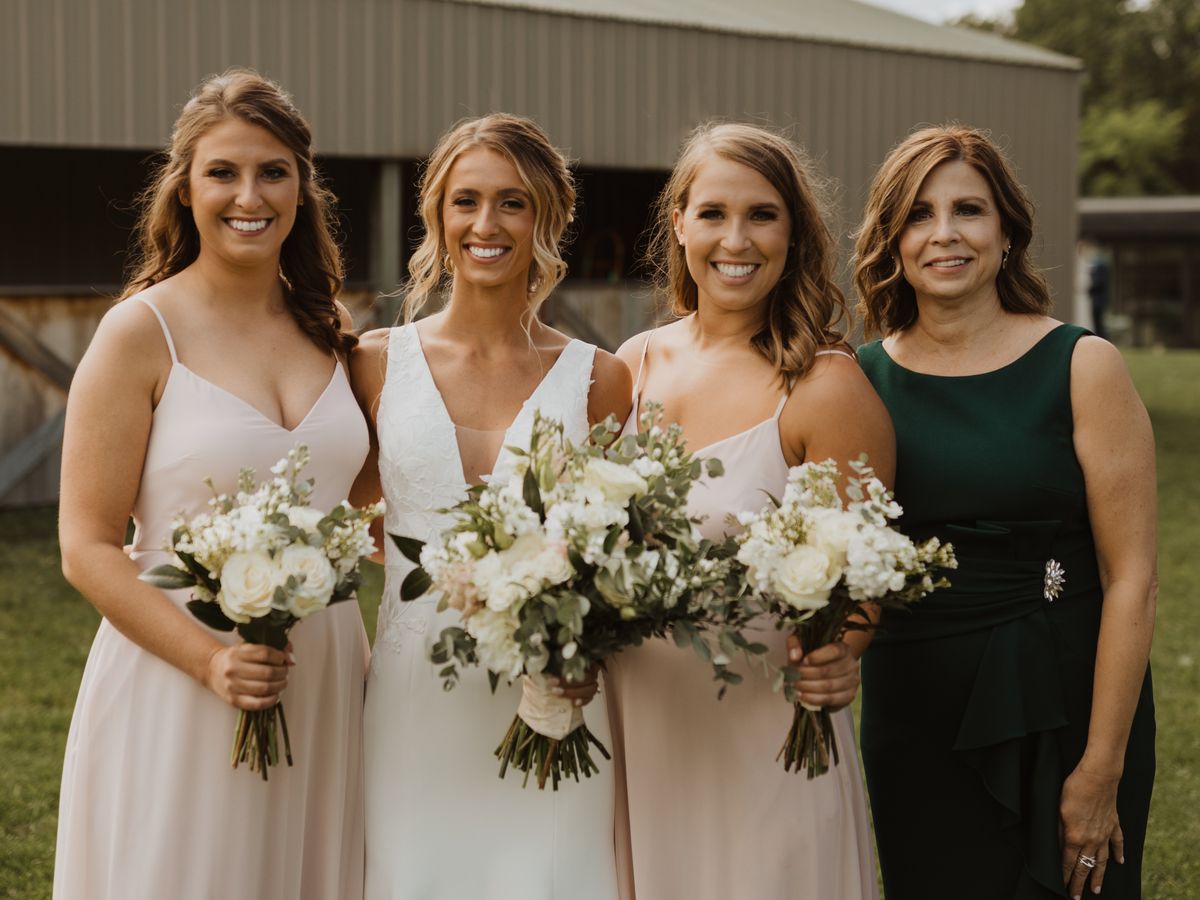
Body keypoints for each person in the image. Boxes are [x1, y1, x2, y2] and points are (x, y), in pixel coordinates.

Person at [55, 70, 368, 899]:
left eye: (273, 172)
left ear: (302, 188)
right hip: (185, 670)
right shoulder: (139, 332)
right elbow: (86, 546)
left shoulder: (331, 328)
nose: (249, 196)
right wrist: (211, 662)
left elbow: (369, 499)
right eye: (223, 172)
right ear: (185, 189)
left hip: (323, 669)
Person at [854, 125, 1156, 900]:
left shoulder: (1082, 365)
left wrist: (1102, 767)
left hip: (1064, 698)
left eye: (969, 210)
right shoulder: (857, 380)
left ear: (1007, 230)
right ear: (893, 240)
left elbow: (1133, 579)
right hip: (913, 712)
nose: (945, 233)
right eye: (919, 215)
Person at [606, 122, 892, 900]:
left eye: (762, 215)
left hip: (767, 738)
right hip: (638, 728)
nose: (736, 240)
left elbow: (862, 582)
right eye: (713, 214)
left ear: (793, 235)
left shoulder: (824, 388)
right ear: (679, 225)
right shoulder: (632, 365)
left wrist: (844, 652)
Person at [349, 113, 632, 899]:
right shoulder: (373, 364)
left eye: (513, 202)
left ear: (548, 216)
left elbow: (616, 553)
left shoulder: (600, 379)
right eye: (466, 200)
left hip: (555, 704)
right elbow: (349, 523)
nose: (487, 224)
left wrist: (582, 648)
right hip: (414, 705)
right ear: (437, 215)